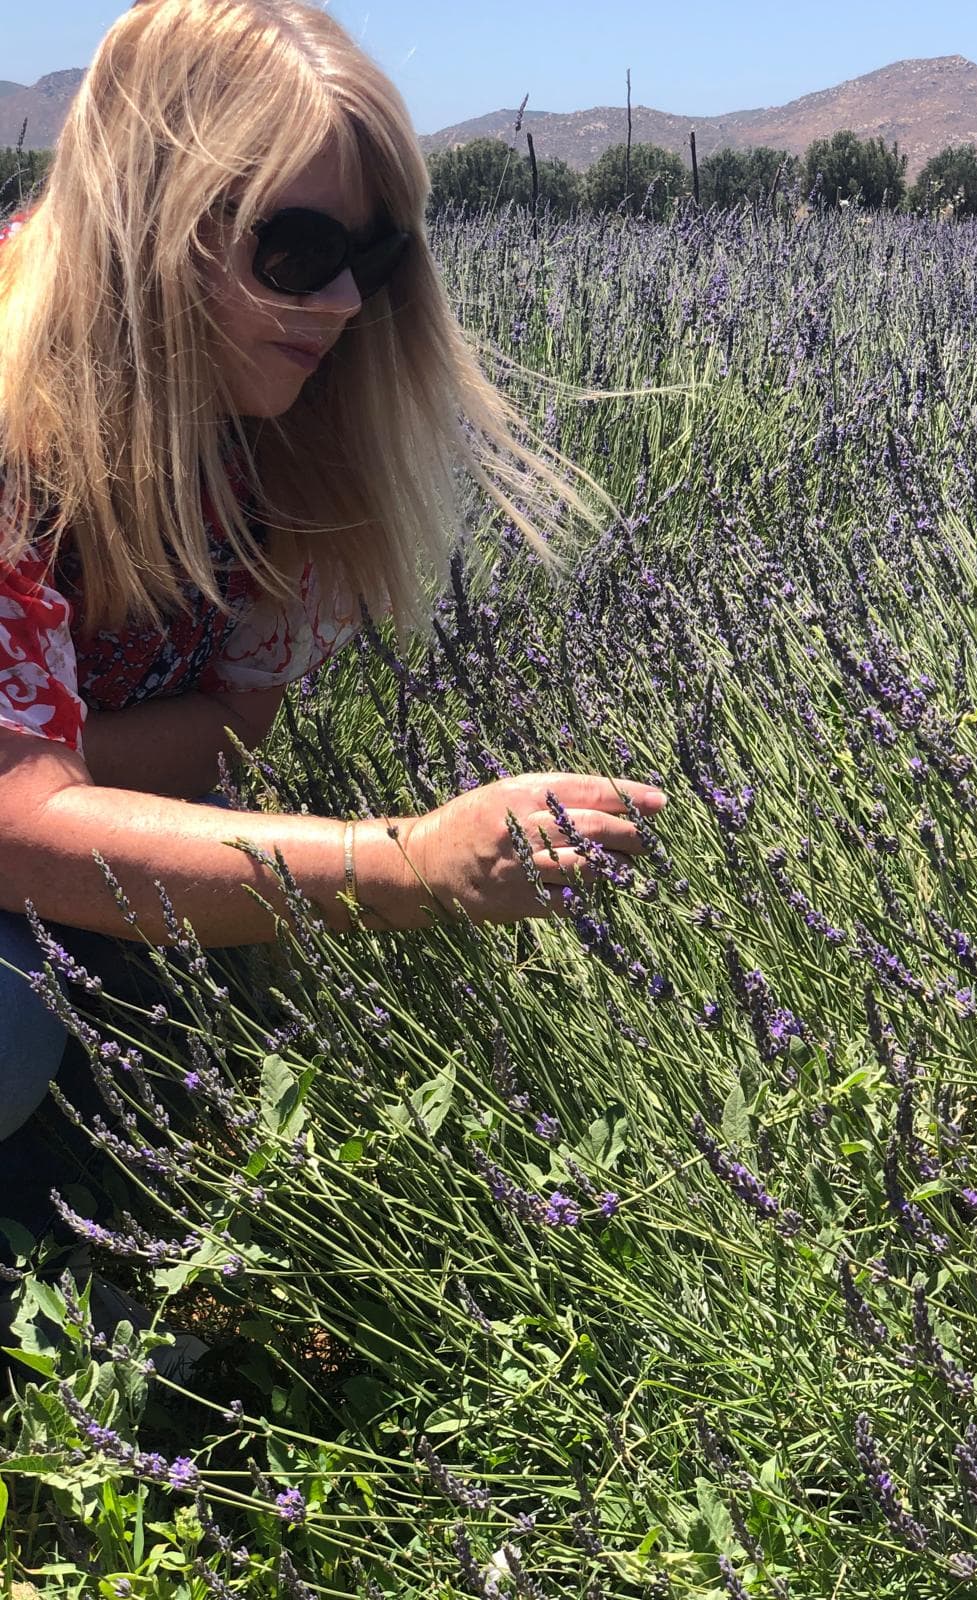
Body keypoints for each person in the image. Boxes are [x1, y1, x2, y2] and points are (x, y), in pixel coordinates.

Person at [0, 0, 667, 1250]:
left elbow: (229, 726)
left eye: (379, 253)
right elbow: (18, 830)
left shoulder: (292, 429)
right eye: (299, 249)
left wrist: (61, 778)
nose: (351, 300)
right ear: (149, 218)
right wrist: (411, 866)